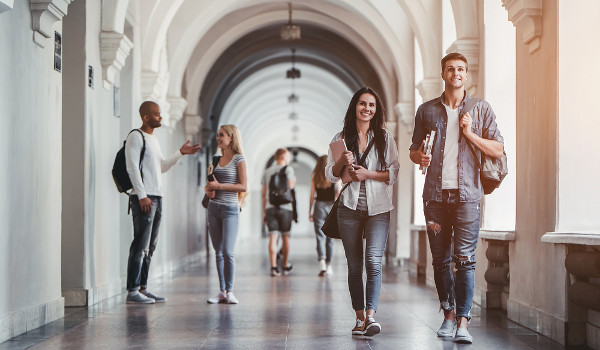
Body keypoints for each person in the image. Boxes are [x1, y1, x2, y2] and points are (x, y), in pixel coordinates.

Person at [409, 52, 504, 344]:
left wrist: (470, 134)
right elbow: (413, 150)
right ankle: (448, 315)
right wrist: (419, 156)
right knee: (440, 260)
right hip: (435, 197)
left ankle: (463, 321)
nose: (456, 73)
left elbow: (497, 150)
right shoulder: (426, 111)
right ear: (443, 74)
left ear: (467, 74)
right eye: (451, 69)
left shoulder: (481, 109)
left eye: (461, 69)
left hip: (467, 196)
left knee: (465, 260)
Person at [325, 87, 399, 337]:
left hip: (378, 209)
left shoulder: (385, 138)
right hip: (349, 208)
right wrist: (341, 162)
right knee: (355, 266)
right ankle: (359, 318)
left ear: (376, 110)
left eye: (372, 105)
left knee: (373, 262)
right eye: (362, 104)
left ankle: (371, 316)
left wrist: (368, 174)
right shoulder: (340, 137)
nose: (367, 109)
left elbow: (393, 173)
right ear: (354, 107)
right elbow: (330, 175)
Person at [125, 101, 200, 304]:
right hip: (144, 197)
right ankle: (132, 290)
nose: (161, 117)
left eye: (160, 114)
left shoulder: (154, 141)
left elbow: (162, 167)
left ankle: (143, 287)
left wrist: (180, 153)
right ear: (146, 117)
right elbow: (132, 167)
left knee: (151, 245)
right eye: (157, 114)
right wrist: (141, 195)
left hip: (157, 196)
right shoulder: (136, 136)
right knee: (140, 244)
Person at [205, 125, 247, 305]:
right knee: (218, 252)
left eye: (221, 135)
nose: (218, 138)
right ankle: (221, 291)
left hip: (230, 209)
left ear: (231, 137)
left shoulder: (239, 159)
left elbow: (243, 186)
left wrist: (219, 187)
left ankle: (230, 291)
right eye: (217, 135)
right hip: (213, 208)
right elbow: (209, 185)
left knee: (228, 252)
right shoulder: (214, 159)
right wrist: (209, 190)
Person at [262, 148, 296, 277]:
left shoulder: (267, 171)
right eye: (288, 156)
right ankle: (285, 265)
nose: (289, 159)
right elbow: (291, 186)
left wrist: (264, 213)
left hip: (270, 207)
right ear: (283, 157)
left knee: (272, 237)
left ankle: (273, 267)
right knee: (285, 237)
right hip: (286, 207)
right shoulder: (289, 169)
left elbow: (263, 193)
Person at [309, 155, 339, 276]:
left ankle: (322, 262)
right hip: (331, 207)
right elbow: (338, 193)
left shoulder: (315, 177)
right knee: (329, 238)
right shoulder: (334, 176)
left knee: (319, 236)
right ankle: (329, 265)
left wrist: (309, 212)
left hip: (319, 207)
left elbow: (312, 196)